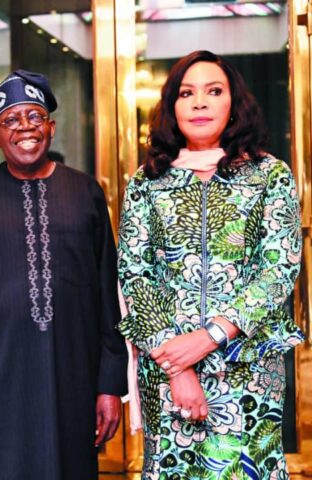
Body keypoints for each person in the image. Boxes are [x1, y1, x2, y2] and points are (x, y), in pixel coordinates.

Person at [118, 50, 303, 479]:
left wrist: (213, 334)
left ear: (233, 104)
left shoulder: (268, 176)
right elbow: (134, 273)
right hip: (167, 365)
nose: (199, 103)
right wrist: (177, 364)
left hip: (247, 364)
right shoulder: (147, 182)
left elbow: (279, 268)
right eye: (187, 93)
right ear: (172, 107)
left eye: (213, 91)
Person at [0, 70, 128, 479]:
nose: (25, 127)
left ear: (51, 127)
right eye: (11, 119)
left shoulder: (85, 192)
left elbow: (107, 295)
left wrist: (110, 383)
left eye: (34, 115)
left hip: (75, 378)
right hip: (0, 382)